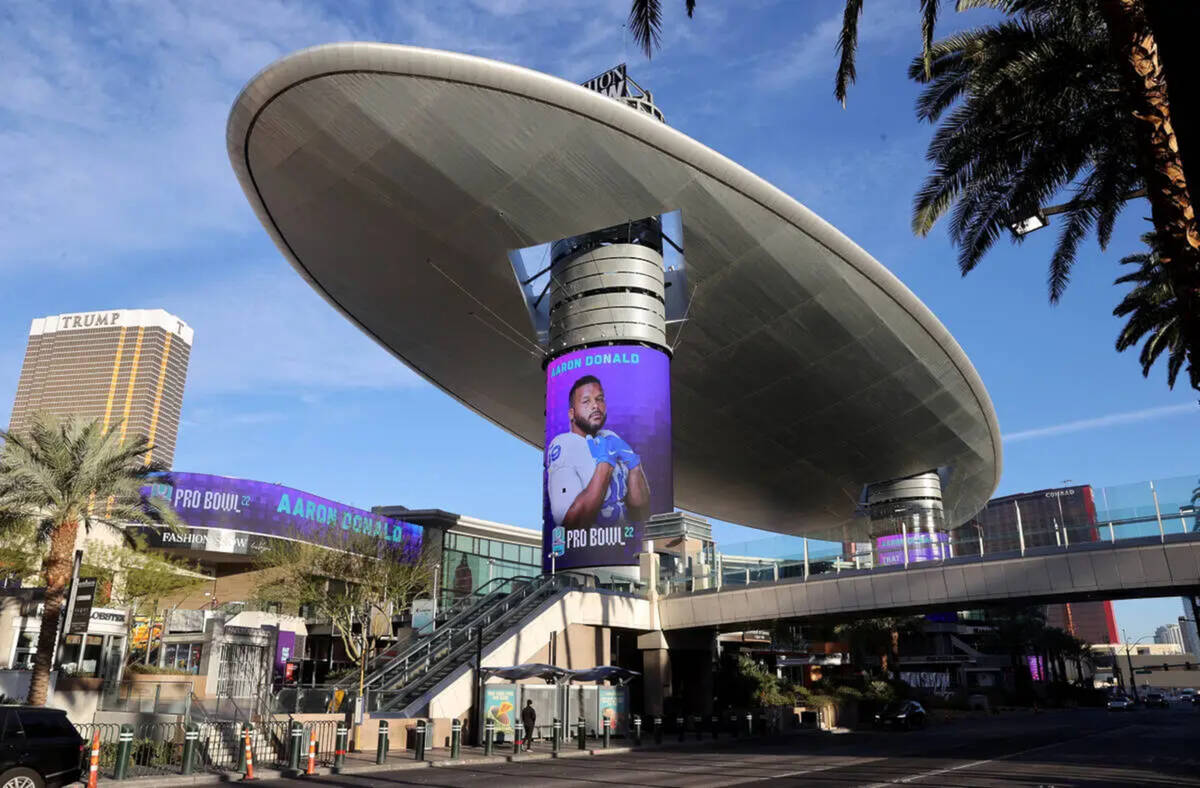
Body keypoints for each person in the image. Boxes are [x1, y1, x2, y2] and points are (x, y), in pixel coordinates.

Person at [546, 375, 651, 535]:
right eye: (586, 401)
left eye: (599, 399)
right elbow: (571, 525)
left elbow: (640, 508)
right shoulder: (564, 444)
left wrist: (635, 465)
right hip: (592, 547)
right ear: (572, 414)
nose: (595, 405)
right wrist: (604, 465)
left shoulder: (610, 436)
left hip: (626, 541)